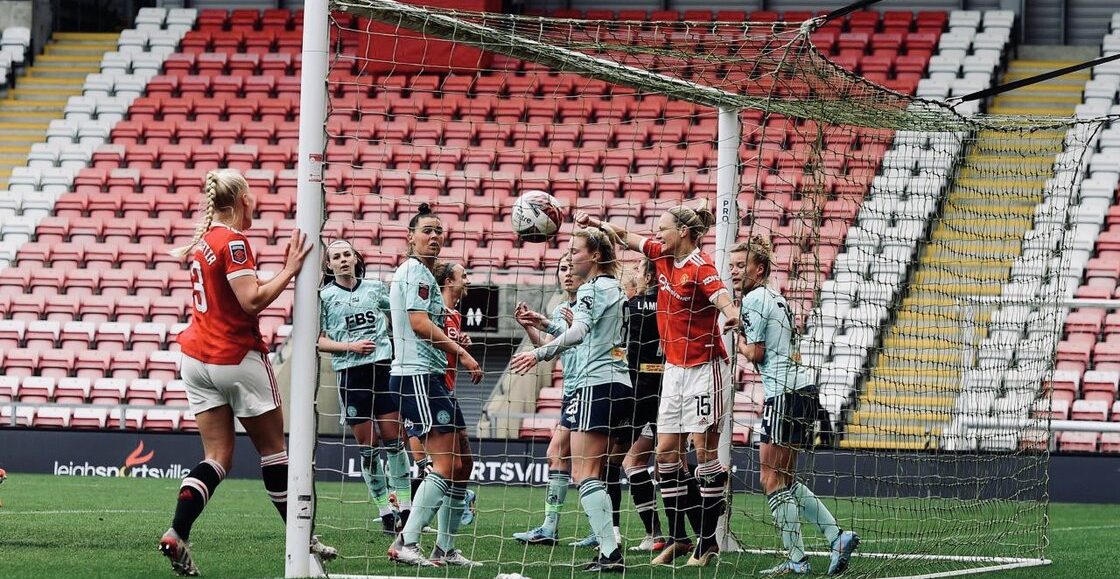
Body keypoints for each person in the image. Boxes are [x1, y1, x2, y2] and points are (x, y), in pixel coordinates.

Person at [158, 169, 335, 576]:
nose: (255, 203)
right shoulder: (234, 242)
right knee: (274, 451)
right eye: (252, 197)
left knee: (217, 458)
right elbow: (251, 300)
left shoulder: (204, 241)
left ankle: (177, 532)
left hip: (196, 359)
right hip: (235, 357)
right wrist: (290, 270)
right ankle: (302, 542)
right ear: (241, 201)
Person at [575, 202, 740, 567]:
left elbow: (721, 296)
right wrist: (595, 223)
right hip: (674, 371)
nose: (657, 233)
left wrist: (730, 315)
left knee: (704, 455)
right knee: (665, 454)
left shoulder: (701, 266)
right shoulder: (661, 256)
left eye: (663, 227)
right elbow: (624, 237)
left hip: (704, 367)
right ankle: (680, 537)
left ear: (682, 232)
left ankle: (709, 540)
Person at [510, 228, 634, 572]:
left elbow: (578, 333)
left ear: (594, 256)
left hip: (596, 384)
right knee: (592, 470)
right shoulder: (616, 289)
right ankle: (608, 549)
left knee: (586, 472)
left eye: (575, 250)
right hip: (618, 383)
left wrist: (538, 354)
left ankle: (610, 553)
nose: (570, 256)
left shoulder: (594, 289)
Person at [736, 237, 859, 576]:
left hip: (784, 394)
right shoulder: (775, 297)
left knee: (769, 478)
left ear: (758, 269)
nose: (734, 272)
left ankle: (798, 559)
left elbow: (756, 354)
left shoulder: (754, 299)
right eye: (730, 266)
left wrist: (738, 340)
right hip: (803, 391)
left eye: (739, 266)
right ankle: (836, 537)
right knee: (786, 478)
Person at [387, 204, 483, 568]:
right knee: (443, 464)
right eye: (427, 230)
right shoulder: (414, 272)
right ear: (410, 237)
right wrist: (462, 353)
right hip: (417, 377)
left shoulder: (423, 274)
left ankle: (445, 547)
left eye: (439, 231)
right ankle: (407, 543)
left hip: (431, 378)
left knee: (463, 464)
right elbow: (418, 323)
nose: (434, 236)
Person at [318, 239, 411, 534]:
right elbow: (317, 340)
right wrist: (350, 346)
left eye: (347, 254)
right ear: (329, 265)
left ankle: (406, 509)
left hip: (384, 370)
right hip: (351, 375)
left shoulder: (375, 288)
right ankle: (385, 510)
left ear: (356, 258)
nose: (343, 259)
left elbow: (400, 315)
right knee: (368, 447)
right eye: (336, 256)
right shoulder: (325, 297)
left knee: (394, 441)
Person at [510, 256, 585, 545]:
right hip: (572, 391)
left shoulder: (591, 305)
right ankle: (558, 528)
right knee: (571, 458)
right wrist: (530, 327)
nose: (567, 273)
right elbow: (552, 350)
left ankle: (558, 527)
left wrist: (552, 326)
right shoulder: (563, 308)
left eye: (571, 267)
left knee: (565, 456)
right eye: (562, 268)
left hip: (589, 389)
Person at [621, 258, 669, 553]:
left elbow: (621, 349)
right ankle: (695, 534)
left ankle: (657, 533)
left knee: (627, 462)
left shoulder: (632, 306)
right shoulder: (669, 304)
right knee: (666, 465)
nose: (635, 275)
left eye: (639, 270)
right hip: (668, 391)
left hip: (640, 393)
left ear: (649, 275)